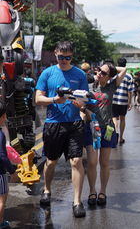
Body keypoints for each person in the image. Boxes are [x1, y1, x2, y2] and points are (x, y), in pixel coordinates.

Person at [35, 41, 88, 218]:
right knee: (51, 162)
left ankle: (77, 201)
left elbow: (85, 100)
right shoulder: (47, 73)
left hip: (74, 123)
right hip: (53, 123)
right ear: (56, 54)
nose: (64, 60)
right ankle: (47, 189)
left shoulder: (79, 74)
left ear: (72, 56)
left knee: (76, 161)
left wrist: (81, 105)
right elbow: (38, 99)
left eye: (68, 57)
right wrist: (53, 100)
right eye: (61, 57)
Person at [83, 62, 126, 206]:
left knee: (105, 162)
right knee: (92, 162)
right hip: (91, 128)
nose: (99, 73)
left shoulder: (112, 86)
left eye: (103, 73)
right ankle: (92, 191)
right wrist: (84, 110)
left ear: (110, 77)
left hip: (107, 129)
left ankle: (102, 191)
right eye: (99, 70)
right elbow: (80, 105)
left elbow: (124, 69)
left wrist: (110, 67)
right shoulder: (88, 86)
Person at [0, 100, 18, 229]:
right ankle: (1, 223)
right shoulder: (0, 134)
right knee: (2, 199)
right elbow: (2, 156)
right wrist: (12, 171)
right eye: (5, 116)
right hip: (0, 173)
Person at [112, 57, 134, 144]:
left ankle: (114, 135)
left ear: (117, 64)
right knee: (122, 119)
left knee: (114, 119)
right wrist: (130, 102)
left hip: (113, 100)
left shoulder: (113, 75)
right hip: (123, 101)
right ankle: (120, 138)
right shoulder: (128, 76)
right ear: (125, 64)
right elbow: (130, 91)